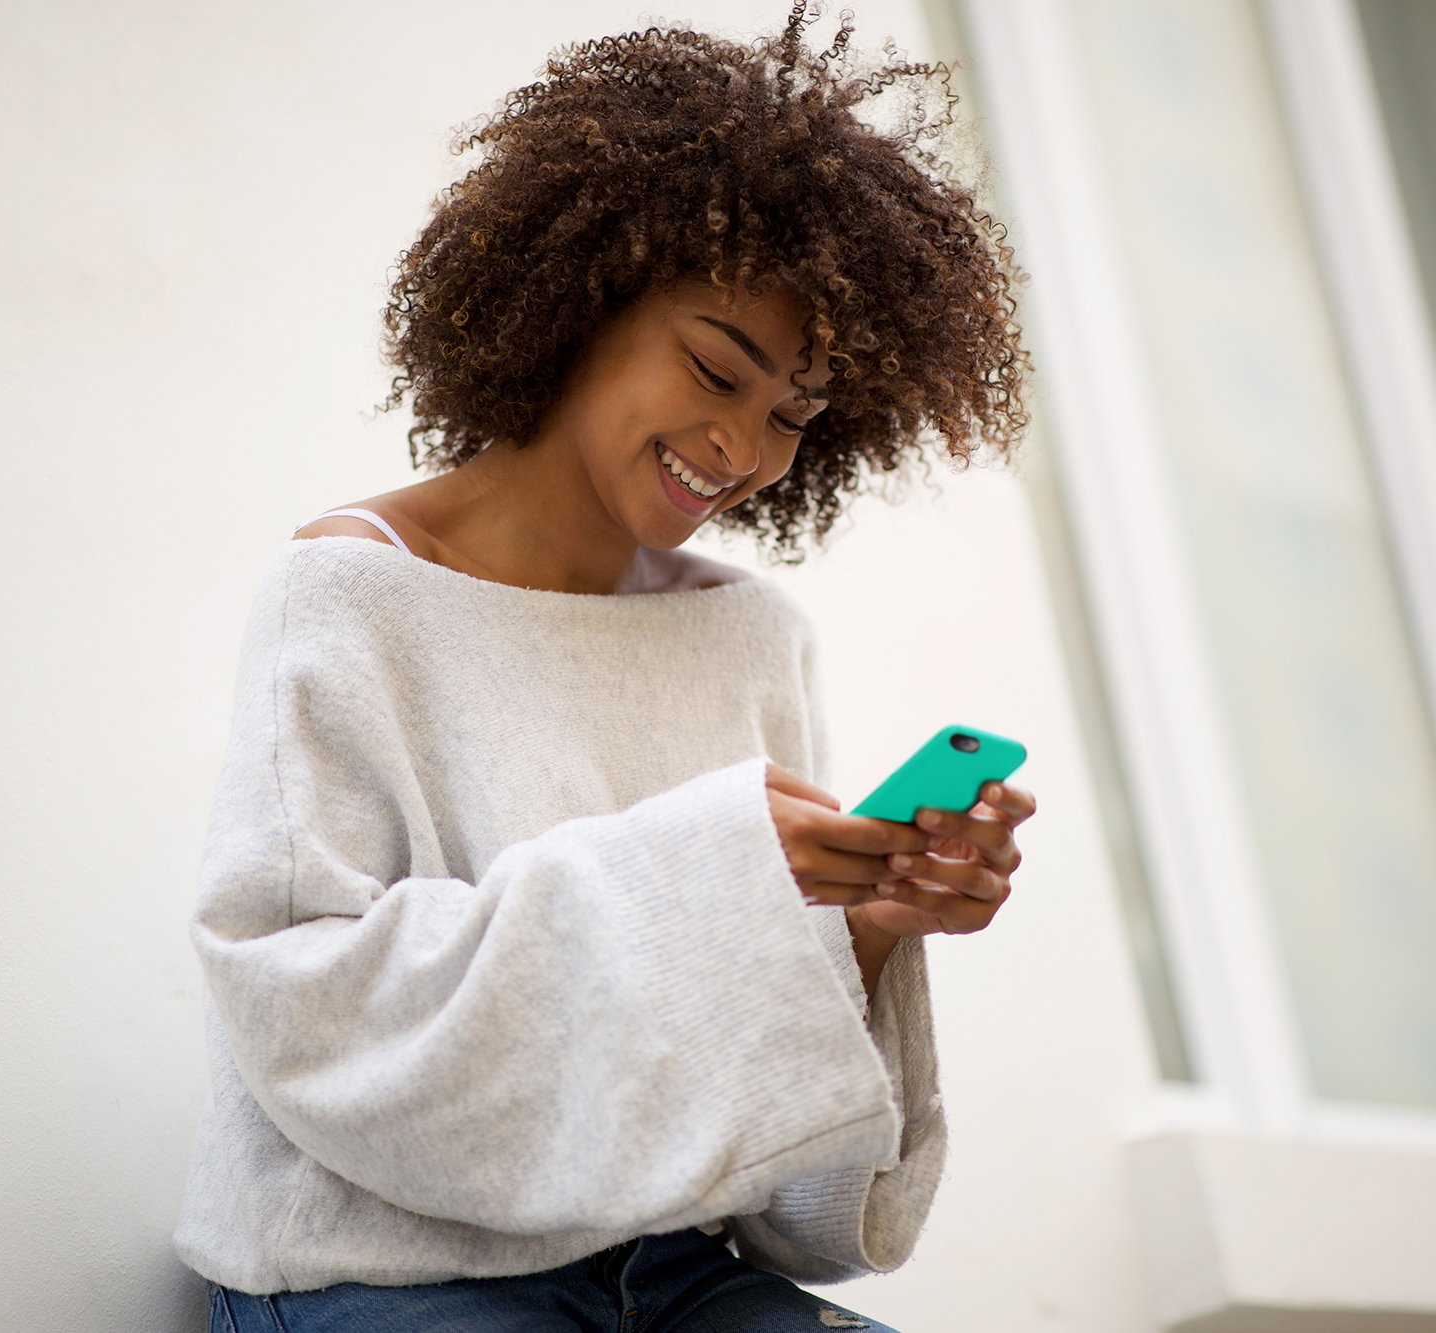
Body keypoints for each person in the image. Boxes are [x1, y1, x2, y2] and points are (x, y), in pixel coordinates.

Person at [174, 9, 1033, 1331]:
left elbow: (771, 1182)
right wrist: (714, 869)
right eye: (715, 367)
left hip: (672, 1271)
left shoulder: (751, 639)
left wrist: (864, 927)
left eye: (792, 416)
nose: (742, 446)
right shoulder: (347, 593)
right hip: (386, 1257)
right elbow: (308, 1012)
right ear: (583, 299)